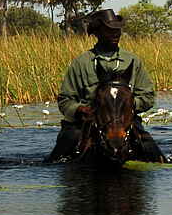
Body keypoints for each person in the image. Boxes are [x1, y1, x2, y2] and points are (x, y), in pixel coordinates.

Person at [46, 9, 165, 163]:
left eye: (117, 30)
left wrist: (127, 105)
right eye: (109, 30)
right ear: (97, 32)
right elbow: (65, 100)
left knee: (148, 146)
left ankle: (166, 164)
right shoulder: (81, 63)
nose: (115, 34)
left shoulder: (133, 61)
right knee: (64, 146)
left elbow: (148, 97)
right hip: (84, 124)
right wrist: (80, 109)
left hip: (125, 123)